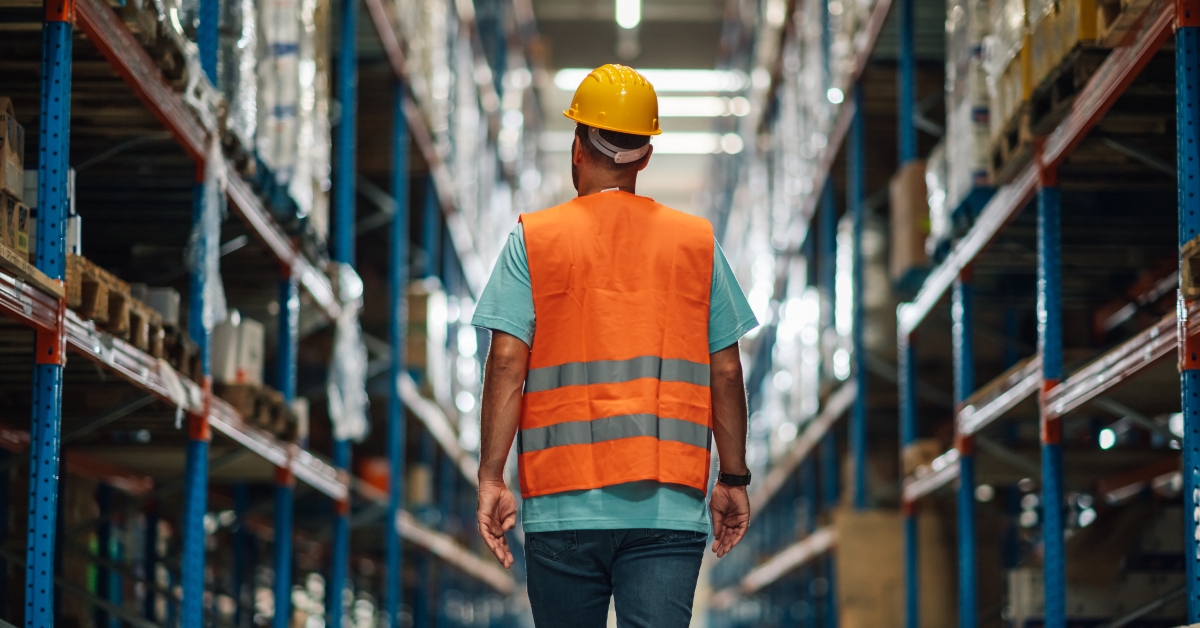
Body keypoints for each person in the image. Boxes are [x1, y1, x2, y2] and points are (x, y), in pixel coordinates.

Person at [471, 64, 758, 628]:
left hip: (562, 504)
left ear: (578, 147)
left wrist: (491, 477)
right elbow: (726, 374)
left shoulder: (535, 238)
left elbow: (506, 361)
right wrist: (733, 478)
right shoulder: (696, 244)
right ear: (646, 156)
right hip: (668, 509)